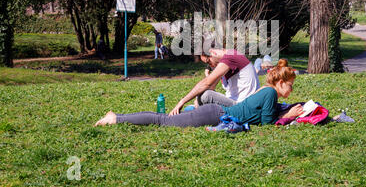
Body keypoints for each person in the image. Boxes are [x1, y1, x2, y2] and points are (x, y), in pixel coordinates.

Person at [94, 60, 304, 128]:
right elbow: (267, 123)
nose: (292, 89)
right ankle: (116, 118)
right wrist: (288, 116)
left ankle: (117, 117)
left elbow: (265, 116)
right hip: (216, 113)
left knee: (167, 120)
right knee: (165, 121)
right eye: (291, 85)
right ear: (281, 83)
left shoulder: (268, 92)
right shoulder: (270, 94)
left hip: (218, 111)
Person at [169, 48, 260, 115]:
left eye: (209, 61)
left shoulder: (230, 57)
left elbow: (207, 83)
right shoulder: (228, 57)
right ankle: (197, 111)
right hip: (238, 102)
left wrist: (182, 101)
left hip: (243, 106)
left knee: (205, 96)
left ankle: (196, 112)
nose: (211, 65)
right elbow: (211, 86)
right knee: (202, 96)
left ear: (213, 52)